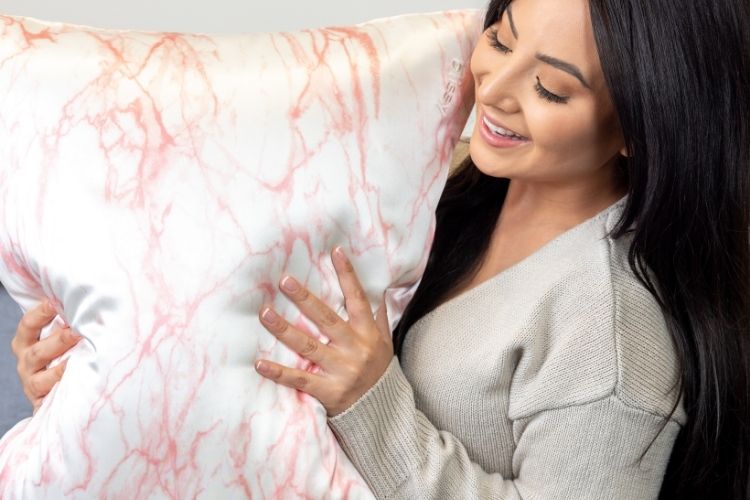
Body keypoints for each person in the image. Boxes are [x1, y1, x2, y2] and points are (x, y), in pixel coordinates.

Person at [9, 0, 750, 498]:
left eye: (550, 89)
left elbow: (358, 390)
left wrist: (375, 403)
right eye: (500, 37)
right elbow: (269, 336)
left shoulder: (614, 337)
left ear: (639, 126)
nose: (494, 88)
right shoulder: (440, 183)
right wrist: (100, 378)